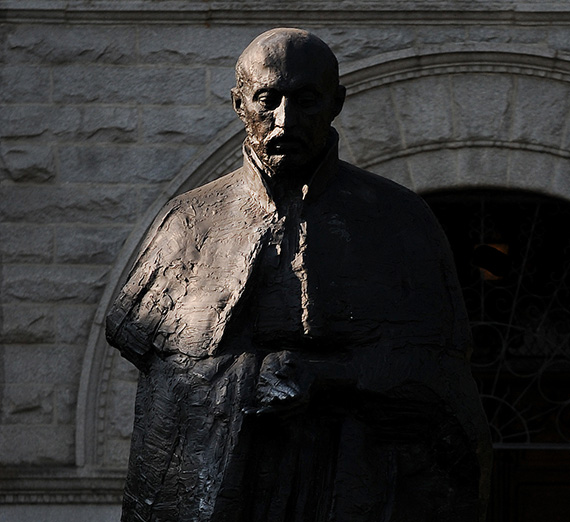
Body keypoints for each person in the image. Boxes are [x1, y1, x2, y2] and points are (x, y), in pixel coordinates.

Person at [106, 28, 491, 522]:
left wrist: (328, 377)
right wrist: (244, 377)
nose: (285, 120)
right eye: (268, 99)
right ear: (239, 102)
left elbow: (441, 379)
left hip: (356, 485)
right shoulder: (186, 222)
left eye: (307, 100)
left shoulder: (400, 220)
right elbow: (158, 367)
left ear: (337, 103)